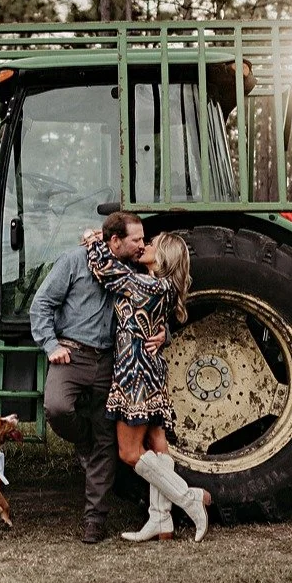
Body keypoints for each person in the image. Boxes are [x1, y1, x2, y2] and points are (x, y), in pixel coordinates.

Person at [29, 217, 163, 544]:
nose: (142, 245)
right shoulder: (75, 261)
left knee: (107, 439)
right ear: (115, 240)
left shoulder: (136, 272)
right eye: (136, 240)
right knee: (58, 408)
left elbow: (156, 308)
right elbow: (42, 304)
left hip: (111, 362)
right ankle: (83, 438)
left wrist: (163, 334)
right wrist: (51, 345)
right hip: (73, 354)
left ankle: (95, 519)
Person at [85, 213, 211, 543]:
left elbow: (105, 270)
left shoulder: (146, 284)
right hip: (151, 370)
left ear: (164, 256)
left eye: (152, 244)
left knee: (129, 452)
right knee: (157, 444)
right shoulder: (163, 287)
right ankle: (161, 520)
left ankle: (188, 498)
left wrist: (95, 239)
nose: (146, 245)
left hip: (135, 373)